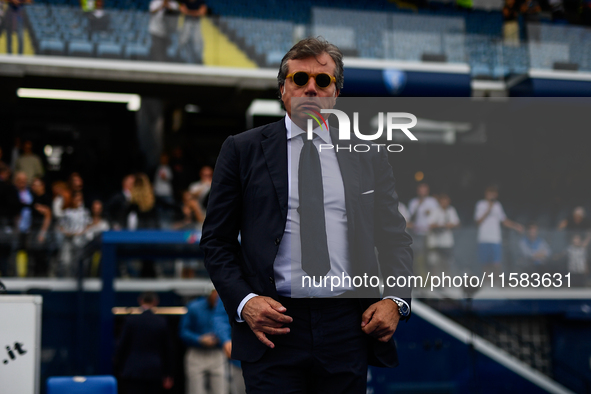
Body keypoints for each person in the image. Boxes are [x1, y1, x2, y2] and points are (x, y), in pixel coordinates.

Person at [200, 38, 413, 393]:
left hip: (349, 326)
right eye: (300, 79)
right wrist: (245, 302)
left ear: (336, 92)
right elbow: (216, 241)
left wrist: (395, 300)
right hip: (273, 327)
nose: (311, 88)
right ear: (283, 89)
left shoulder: (368, 155)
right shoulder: (241, 150)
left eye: (323, 80)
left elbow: (395, 238)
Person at [114, 292, 174, 394]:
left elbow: (122, 346)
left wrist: (120, 367)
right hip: (155, 370)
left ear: (140, 301)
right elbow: (167, 350)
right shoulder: (161, 322)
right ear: (156, 302)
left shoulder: (130, 321)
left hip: (133, 370)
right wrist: (168, 374)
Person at [179, 290, 228, 394]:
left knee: (221, 390)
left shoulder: (225, 306)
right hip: (196, 353)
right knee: (195, 390)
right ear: (209, 293)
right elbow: (183, 332)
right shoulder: (194, 307)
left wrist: (223, 337)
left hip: (217, 353)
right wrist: (199, 339)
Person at [474, 185, 523, 277]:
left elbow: (504, 220)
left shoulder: (498, 205)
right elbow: (478, 221)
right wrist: (489, 209)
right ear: (486, 194)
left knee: (496, 263)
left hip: (495, 238)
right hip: (484, 238)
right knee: (485, 263)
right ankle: (487, 284)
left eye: (493, 193)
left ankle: (497, 283)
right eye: (490, 193)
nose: (491, 195)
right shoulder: (480, 204)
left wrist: (516, 226)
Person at [408, 182, 439, 276]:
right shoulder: (414, 202)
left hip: (430, 233)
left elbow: (438, 216)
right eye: (421, 189)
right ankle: (422, 281)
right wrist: (418, 206)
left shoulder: (432, 201)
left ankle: (434, 281)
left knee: (431, 258)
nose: (422, 191)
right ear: (418, 191)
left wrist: (430, 213)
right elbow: (411, 219)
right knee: (419, 258)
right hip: (418, 234)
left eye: (424, 189)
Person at [426, 193, 460, 276]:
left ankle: (446, 282)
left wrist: (450, 225)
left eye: (446, 201)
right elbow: (430, 224)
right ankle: (435, 282)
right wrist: (442, 225)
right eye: (442, 201)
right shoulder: (435, 211)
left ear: (448, 201)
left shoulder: (451, 210)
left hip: (447, 241)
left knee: (446, 262)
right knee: (434, 263)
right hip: (436, 241)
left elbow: (457, 223)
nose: (444, 203)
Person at [0, 163, 20, 276]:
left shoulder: (10, 188)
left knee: (5, 254)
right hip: (6, 226)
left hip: (6, 226)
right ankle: (6, 276)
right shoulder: (10, 188)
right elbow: (17, 208)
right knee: (5, 256)